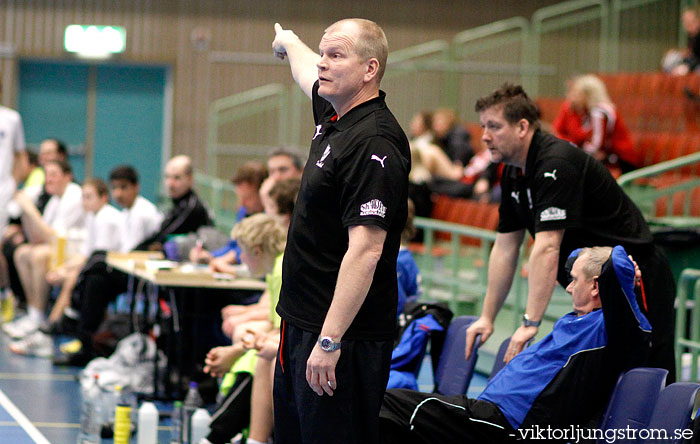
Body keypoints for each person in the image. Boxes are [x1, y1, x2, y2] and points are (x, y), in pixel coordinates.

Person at [465, 84, 676, 383]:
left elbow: (548, 247)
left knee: (645, 378)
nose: (485, 135)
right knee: (599, 382)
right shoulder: (514, 172)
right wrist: (487, 316)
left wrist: (531, 321)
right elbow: (506, 248)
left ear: (522, 127)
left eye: (494, 126)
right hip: (594, 287)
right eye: (483, 126)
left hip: (637, 278)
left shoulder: (556, 164)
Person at [271, 18, 410, 443]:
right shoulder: (336, 115)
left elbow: (366, 252)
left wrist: (329, 342)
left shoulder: (374, 142)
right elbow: (305, 68)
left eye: (337, 55)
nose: (324, 64)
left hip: (340, 340)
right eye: (324, 53)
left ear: (370, 69)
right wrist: (289, 42)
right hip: (299, 325)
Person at [380, 246, 651, 444]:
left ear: (596, 286)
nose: (567, 288)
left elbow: (615, 265)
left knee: (388, 403)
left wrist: (627, 271)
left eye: (574, 281)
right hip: (488, 414)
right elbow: (574, 254)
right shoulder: (579, 319)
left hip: (510, 424)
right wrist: (589, 263)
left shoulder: (607, 327)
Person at [51, 158, 209, 366]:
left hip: (164, 275)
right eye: (168, 177)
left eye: (177, 178)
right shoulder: (145, 211)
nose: (171, 183)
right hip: (140, 267)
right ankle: (83, 334)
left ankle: (75, 324)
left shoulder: (188, 208)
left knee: (98, 269)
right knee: (96, 273)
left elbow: (157, 240)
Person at [9, 178, 121, 357]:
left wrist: (68, 272)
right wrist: (63, 269)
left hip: (111, 273)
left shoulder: (107, 218)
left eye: (89, 197)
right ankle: (39, 318)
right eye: (83, 197)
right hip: (96, 267)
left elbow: (98, 258)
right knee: (65, 272)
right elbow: (86, 254)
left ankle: (49, 331)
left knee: (72, 278)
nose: (85, 202)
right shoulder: (93, 216)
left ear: (103, 198)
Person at [3, 160, 85, 340]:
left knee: (39, 255)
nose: (49, 180)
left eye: (54, 175)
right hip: (61, 249)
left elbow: (52, 237)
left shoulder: (73, 195)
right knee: (22, 252)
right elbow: (37, 238)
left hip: (75, 253)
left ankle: (39, 316)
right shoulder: (55, 199)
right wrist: (25, 212)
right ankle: (33, 313)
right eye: (47, 175)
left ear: (67, 176)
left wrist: (30, 209)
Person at [553, 74, 640, 174]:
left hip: (621, 159)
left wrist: (576, 149)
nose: (572, 98)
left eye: (578, 94)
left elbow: (596, 145)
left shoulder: (598, 111)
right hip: (608, 155)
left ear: (588, 95)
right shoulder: (587, 112)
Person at [0, 90, 27, 317]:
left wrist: (13, 185)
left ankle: (5, 295)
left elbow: (21, 156)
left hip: (2, 192)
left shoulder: (11, 119)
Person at [662, 7, 700, 76]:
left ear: (698, 20)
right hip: (692, 62)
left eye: (692, 21)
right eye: (686, 22)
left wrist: (687, 67)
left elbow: (697, 57)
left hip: (696, 66)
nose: (689, 25)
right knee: (671, 57)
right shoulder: (692, 36)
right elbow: (692, 52)